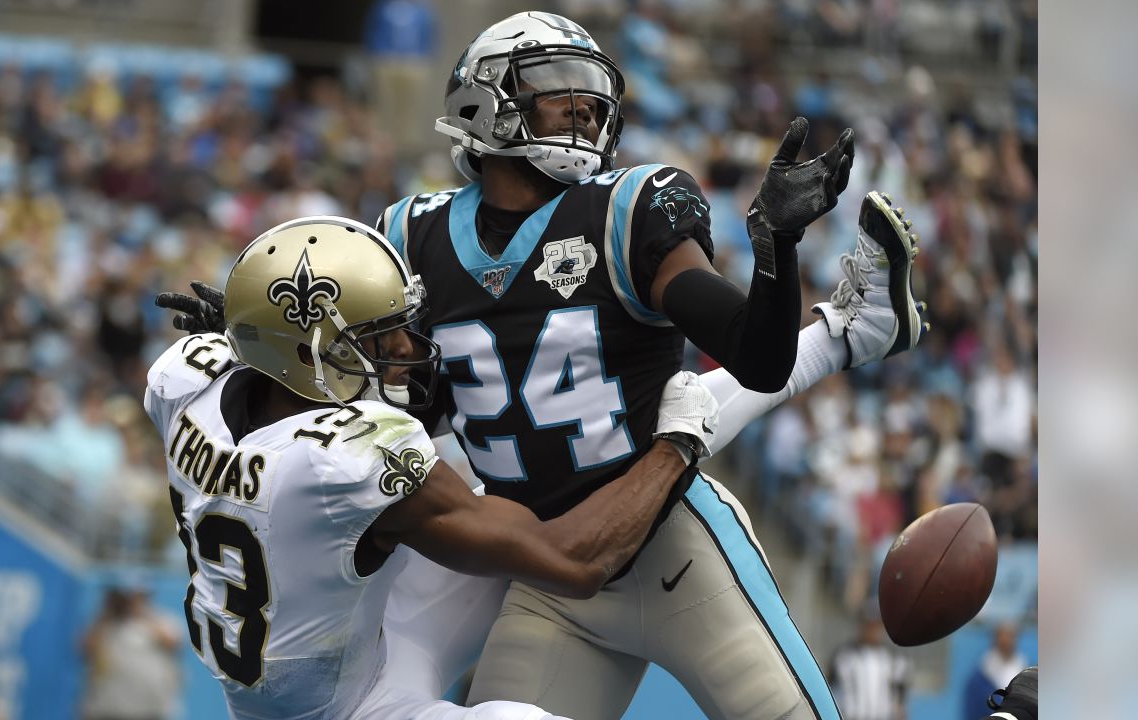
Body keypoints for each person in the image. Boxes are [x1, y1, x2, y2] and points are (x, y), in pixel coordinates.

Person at [157, 13, 924, 718]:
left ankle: (850, 327)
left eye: (592, 97)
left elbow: (755, 356)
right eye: (558, 91)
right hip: (544, 569)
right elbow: (371, 373)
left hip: (672, 546)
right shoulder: (410, 233)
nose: (582, 109)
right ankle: (852, 328)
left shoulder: (626, 209)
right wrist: (252, 337)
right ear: (481, 103)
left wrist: (775, 252)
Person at [142, 215, 719, 720]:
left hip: (291, 670)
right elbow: (575, 562)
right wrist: (674, 449)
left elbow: (244, 366)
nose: (402, 349)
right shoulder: (343, 458)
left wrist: (246, 331)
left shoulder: (185, 376)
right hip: (349, 707)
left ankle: (815, 340)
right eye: (376, 337)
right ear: (306, 355)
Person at [79, 586, 183, 720]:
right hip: (106, 707)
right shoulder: (105, 623)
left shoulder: (162, 619)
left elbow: (173, 644)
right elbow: (85, 649)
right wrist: (107, 614)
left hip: (149, 709)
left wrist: (142, 614)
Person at [828, 605, 910, 720]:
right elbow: (829, 689)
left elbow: (900, 699)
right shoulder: (843, 656)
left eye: (875, 626)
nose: (871, 631)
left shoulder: (894, 659)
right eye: (867, 625)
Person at [964, 623, 1029, 717]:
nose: (1007, 641)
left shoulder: (1024, 671)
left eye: (1010, 636)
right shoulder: (981, 675)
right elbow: (972, 710)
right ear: (995, 639)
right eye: (1003, 636)